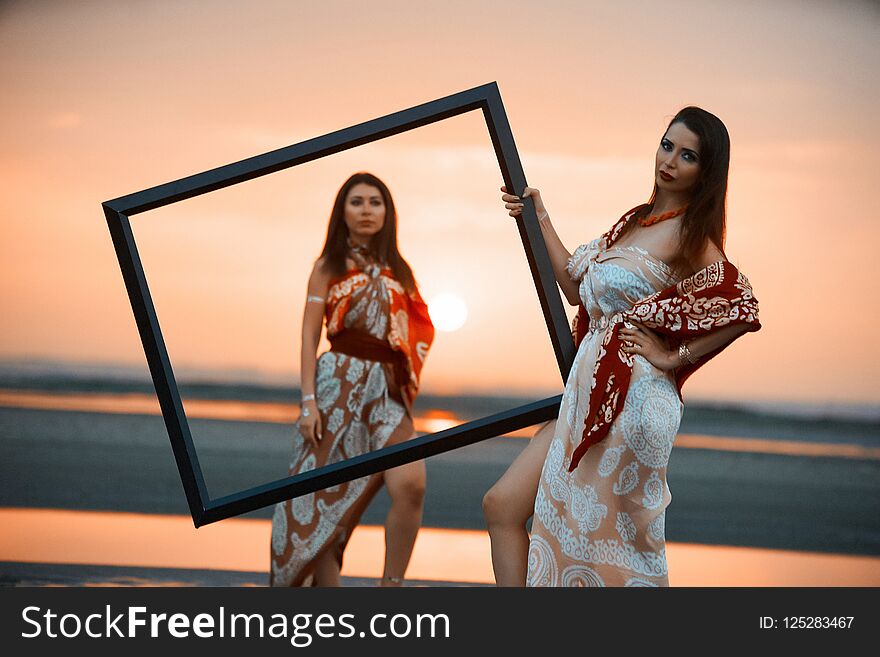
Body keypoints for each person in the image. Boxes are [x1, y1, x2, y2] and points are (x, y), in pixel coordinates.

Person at [483, 107, 762, 587]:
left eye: (688, 155)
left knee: (605, 548)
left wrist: (673, 357)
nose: (670, 160)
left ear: (706, 171)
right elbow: (576, 287)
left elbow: (741, 304)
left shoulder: (691, 234)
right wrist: (537, 214)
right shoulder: (634, 221)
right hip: (589, 392)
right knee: (504, 506)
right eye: (667, 144)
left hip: (634, 402)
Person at [270, 172, 435, 587]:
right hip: (334, 386)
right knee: (324, 502)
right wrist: (307, 403)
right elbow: (309, 336)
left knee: (410, 484)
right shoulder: (327, 266)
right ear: (342, 211)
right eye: (356, 201)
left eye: (375, 202)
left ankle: (390, 586)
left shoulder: (401, 270)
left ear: (387, 212)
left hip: (386, 394)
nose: (366, 210)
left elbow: (417, 330)